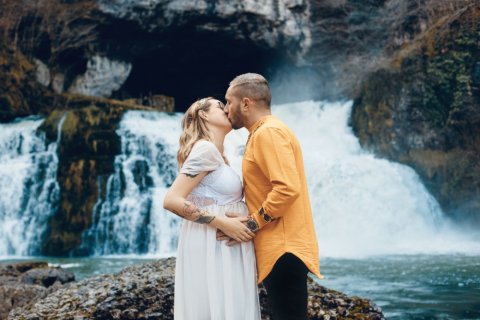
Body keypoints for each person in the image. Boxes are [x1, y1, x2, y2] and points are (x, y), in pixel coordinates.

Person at [221, 73, 323, 320]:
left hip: (283, 250)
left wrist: (254, 222)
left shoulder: (269, 133)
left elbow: (287, 188)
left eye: (228, 102)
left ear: (246, 103)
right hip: (280, 249)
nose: (225, 109)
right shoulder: (263, 132)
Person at [163, 97, 261, 320]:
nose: (227, 108)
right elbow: (172, 200)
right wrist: (223, 223)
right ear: (203, 115)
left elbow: (206, 199)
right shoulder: (205, 149)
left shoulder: (216, 153)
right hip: (215, 242)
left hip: (220, 242)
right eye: (220, 105)